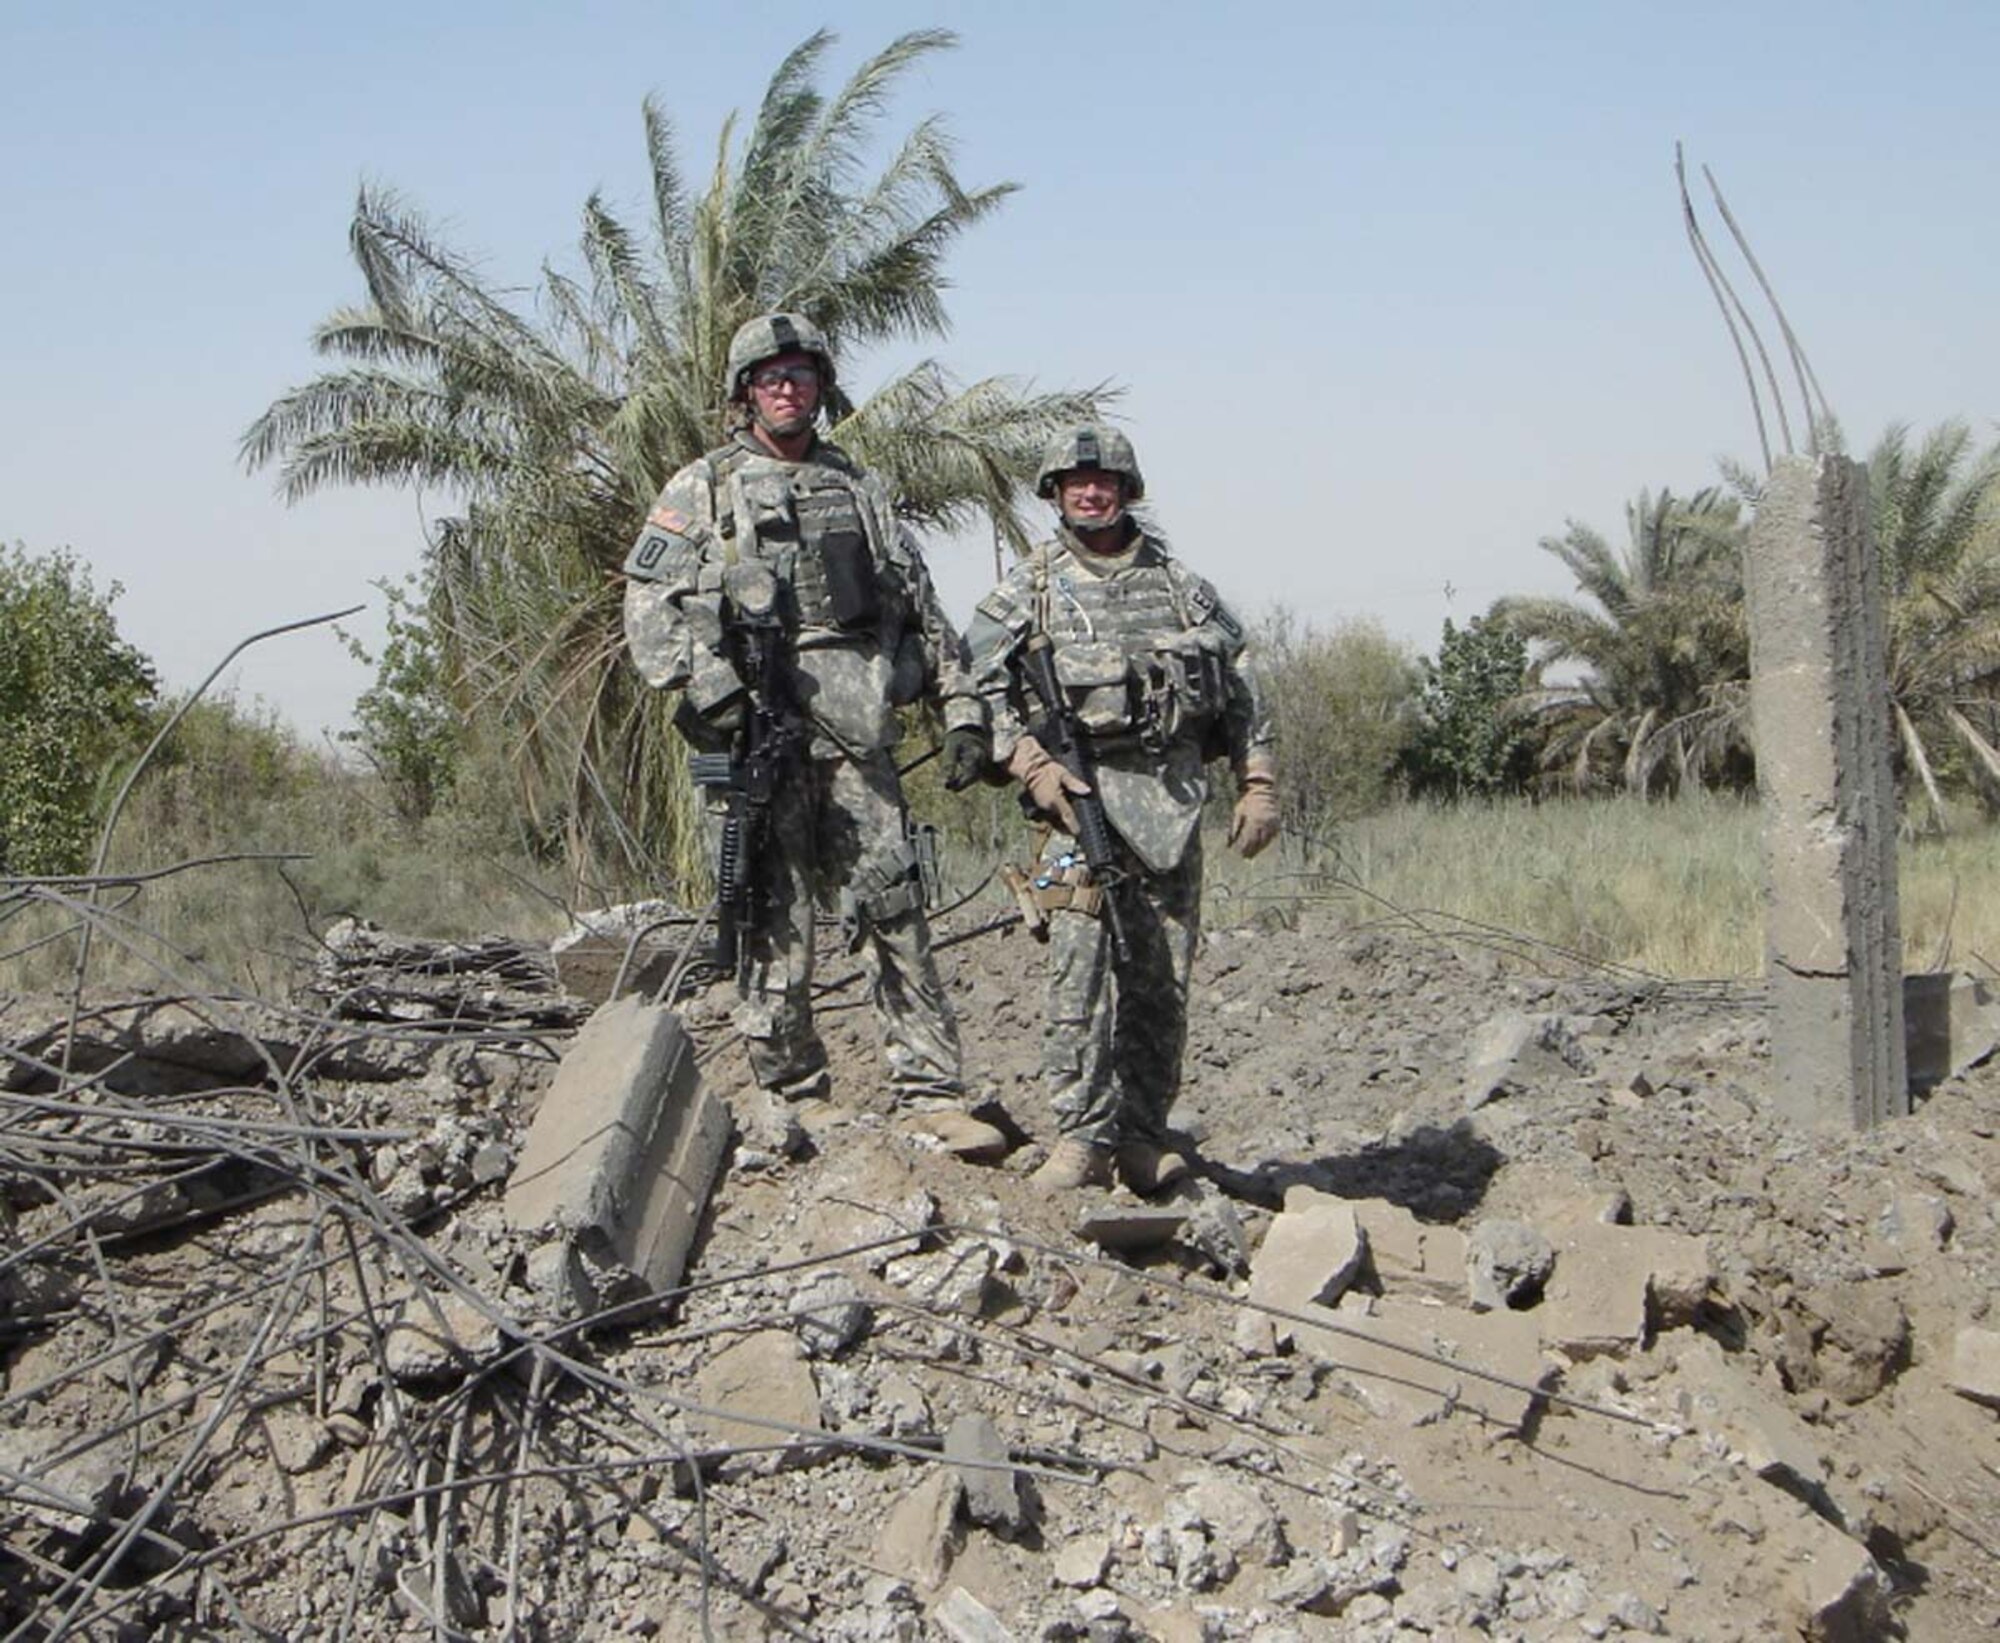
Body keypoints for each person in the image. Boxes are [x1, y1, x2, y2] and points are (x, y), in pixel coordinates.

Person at [622, 312, 996, 1157]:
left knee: (893, 903)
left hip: (858, 735)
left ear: (822, 386)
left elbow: (917, 605)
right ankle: (793, 1092)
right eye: (769, 377)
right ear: (744, 393)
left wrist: (961, 707)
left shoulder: (858, 487)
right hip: (758, 737)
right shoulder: (703, 488)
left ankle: (932, 1090)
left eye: (800, 374)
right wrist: (714, 690)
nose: (787, 388)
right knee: (771, 914)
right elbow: (647, 608)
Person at [963, 424, 1278, 1191]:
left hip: (1168, 810)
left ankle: (1142, 1135)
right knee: (1075, 974)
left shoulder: (1183, 590)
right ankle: (1079, 1137)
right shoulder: (1025, 591)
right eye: (1075, 483)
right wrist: (1029, 763)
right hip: (1071, 814)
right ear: (1057, 496)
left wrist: (1258, 779)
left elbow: (1240, 688)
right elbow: (973, 686)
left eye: (1104, 481)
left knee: (1161, 981)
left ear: (1128, 491)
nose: (1091, 493)